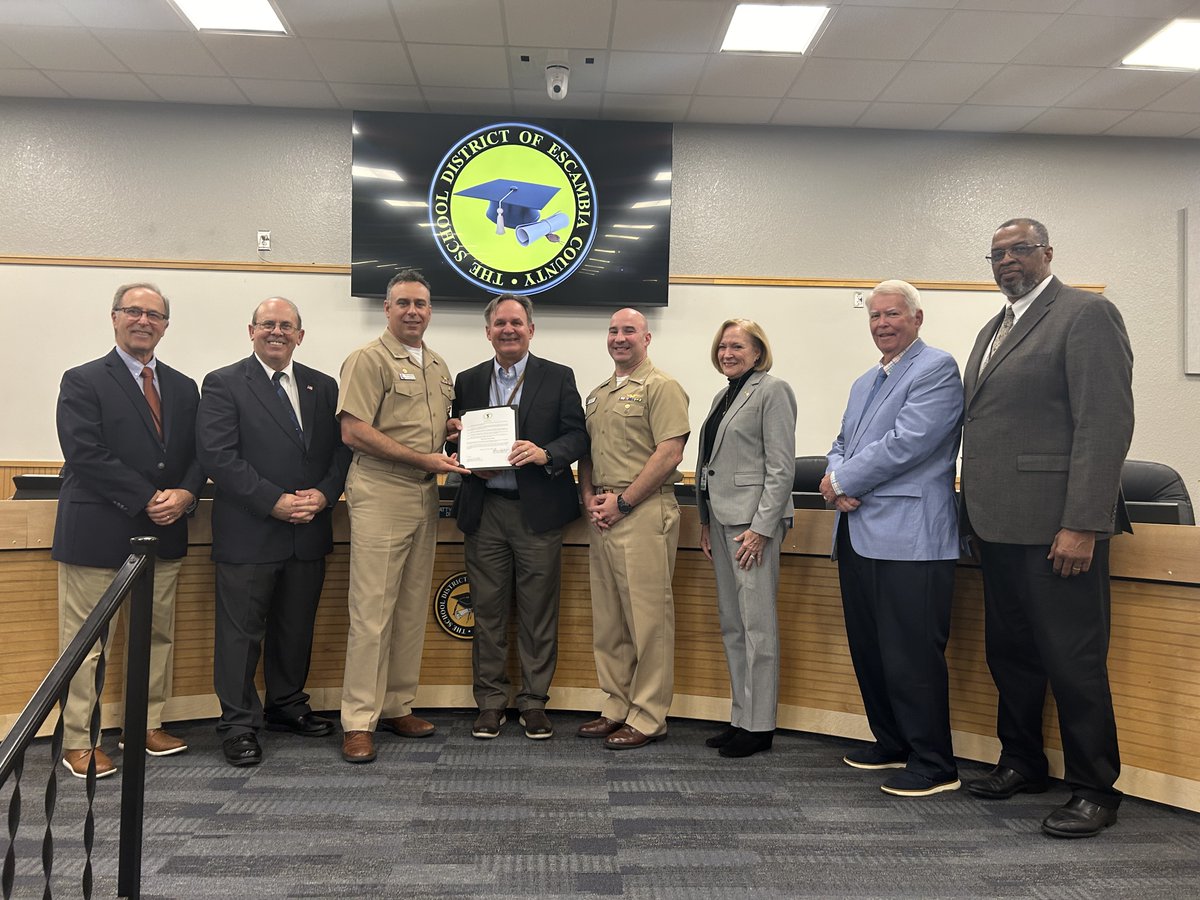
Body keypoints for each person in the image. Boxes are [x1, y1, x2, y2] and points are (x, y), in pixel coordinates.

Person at [961, 218, 1134, 837]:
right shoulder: (992, 328)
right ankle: (1023, 761)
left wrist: (1083, 523)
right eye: (998, 254)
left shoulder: (1086, 314)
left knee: (1073, 660)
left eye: (1020, 250)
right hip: (998, 526)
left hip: (1057, 528)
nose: (1007, 261)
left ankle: (1096, 788)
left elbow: (1104, 425)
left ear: (1047, 254)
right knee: (1012, 657)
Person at [53, 282, 203, 779]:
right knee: (88, 642)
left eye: (154, 315)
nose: (144, 321)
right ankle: (80, 739)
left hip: (165, 533)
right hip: (99, 531)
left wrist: (185, 493)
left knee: (156, 634)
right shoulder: (82, 380)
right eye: (133, 312)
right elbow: (84, 452)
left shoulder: (184, 387)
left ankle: (146, 723)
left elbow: (198, 454)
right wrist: (147, 498)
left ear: (165, 325)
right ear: (114, 317)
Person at [820, 281, 964, 797]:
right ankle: (894, 742)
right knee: (872, 648)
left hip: (912, 539)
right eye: (876, 316)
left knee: (912, 653)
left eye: (894, 314)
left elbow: (910, 443)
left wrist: (843, 481)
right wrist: (838, 478)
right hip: (858, 532)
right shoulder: (864, 382)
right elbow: (840, 443)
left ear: (917, 318)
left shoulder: (936, 369)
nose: (883, 323)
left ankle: (934, 762)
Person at [196, 298, 351, 767]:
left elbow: (339, 454)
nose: (277, 332)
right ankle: (238, 724)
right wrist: (274, 501)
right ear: (251, 331)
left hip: (308, 529)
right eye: (269, 324)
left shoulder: (323, 387)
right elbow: (218, 457)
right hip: (251, 531)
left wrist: (324, 495)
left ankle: (286, 706)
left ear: (300, 336)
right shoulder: (223, 383)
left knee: (295, 627)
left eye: (287, 326)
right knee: (241, 635)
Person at [336, 269, 469, 764]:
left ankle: (397, 704)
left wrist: (452, 431)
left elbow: (429, 429)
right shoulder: (368, 359)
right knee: (371, 613)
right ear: (387, 309)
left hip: (422, 496)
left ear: (430, 311)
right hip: (380, 492)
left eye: (421, 303)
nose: (413, 311)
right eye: (403, 303)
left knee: (411, 607)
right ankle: (357, 719)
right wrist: (423, 458)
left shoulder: (436, 365)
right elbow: (354, 432)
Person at [448, 294, 588, 740]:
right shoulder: (467, 380)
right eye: (500, 323)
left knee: (537, 613)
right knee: (486, 612)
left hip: (538, 514)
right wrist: (462, 450)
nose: (508, 330)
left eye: (517, 323)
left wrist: (546, 453)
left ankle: (533, 702)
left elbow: (578, 435)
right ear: (488, 331)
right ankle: (490, 703)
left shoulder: (557, 376)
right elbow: (453, 439)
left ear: (531, 329)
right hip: (485, 508)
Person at [577, 308, 689, 750]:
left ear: (646, 338)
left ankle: (648, 715)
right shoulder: (598, 393)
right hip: (604, 512)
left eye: (629, 331)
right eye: (613, 331)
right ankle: (616, 705)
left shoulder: (661, 387)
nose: (619, 338)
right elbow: (587, 451)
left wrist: (623, 502)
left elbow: (670, 454)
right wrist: (588, 495)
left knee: (648, 621)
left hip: (641, 511)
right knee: (610, 621)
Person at [695, 319, 795, 759]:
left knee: (758, 628)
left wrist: (761, 527)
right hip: (721, 522)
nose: (727, 353)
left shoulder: (773, 391)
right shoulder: (723, 395)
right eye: (722, 346)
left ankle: (760, 726)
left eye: (737, 346)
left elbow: (781, 468)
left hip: (752, 526)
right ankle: (741, 717)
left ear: (758, 352)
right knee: (733, 625)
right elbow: (710, 465)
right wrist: (704, 521)